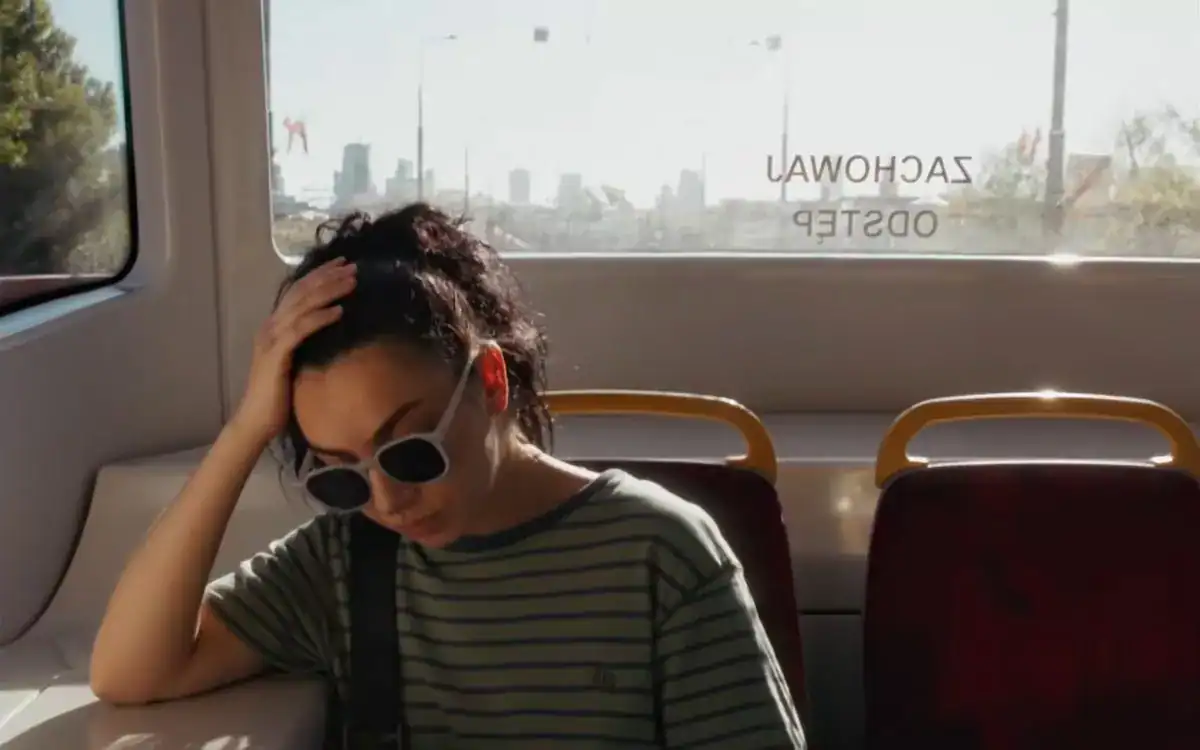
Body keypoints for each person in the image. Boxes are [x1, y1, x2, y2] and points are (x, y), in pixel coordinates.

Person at [90, 203, 806, 749]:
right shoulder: (348, 561)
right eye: (341, 476)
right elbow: (132, 670)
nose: (388, 500)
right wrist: (246, 429)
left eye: (409, 452)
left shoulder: (659, 552)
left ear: (491, 380)